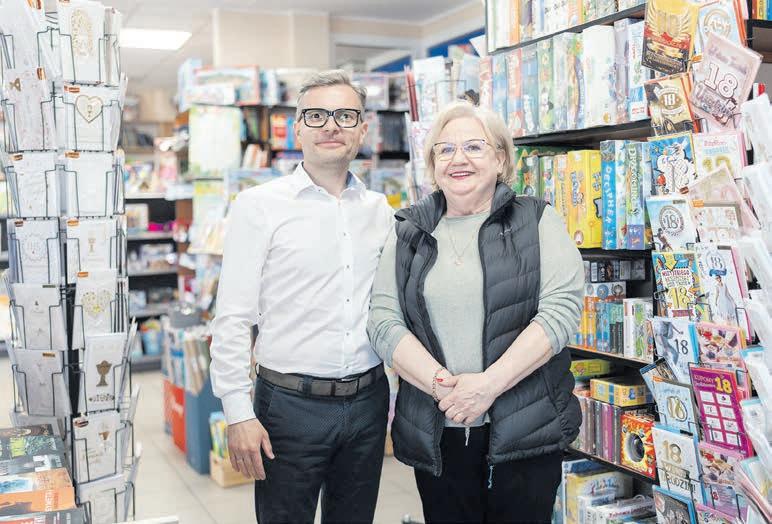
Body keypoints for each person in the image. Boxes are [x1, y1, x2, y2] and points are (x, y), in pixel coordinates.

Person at [368, 101, 584, 523]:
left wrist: (487, 386)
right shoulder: (409, 231)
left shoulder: (537, 220)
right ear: (433, 164)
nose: (458, 159)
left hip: (525, 429)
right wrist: (440, 386)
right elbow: (383, 320)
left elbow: (560, 311)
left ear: (500, 159)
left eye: (473, 146)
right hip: (437, 430)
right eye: (445, 150)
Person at [209, 70, 394, 523]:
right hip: (289, 408)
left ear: (363, 130)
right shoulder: (259, 206)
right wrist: (237, 412)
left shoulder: (380, 212)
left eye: (345, 115)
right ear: (298, 129)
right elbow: (232, 316)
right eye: (316, 115)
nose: (331, 125)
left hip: (368, 402)